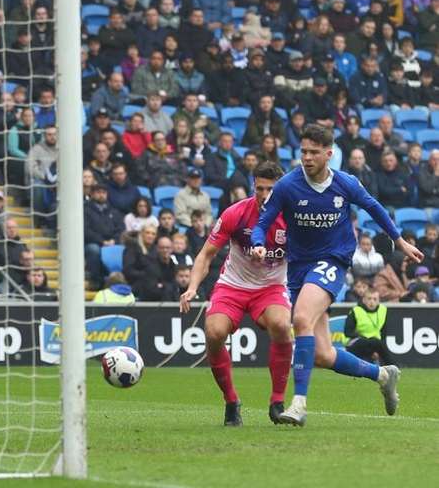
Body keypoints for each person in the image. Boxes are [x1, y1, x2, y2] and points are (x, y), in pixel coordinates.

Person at [251, 124, 423, 426]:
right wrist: (256, 244)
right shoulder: (288, 186)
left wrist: (399, 240)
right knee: (322, 354)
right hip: (299, 268)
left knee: (301, 319)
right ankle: (383, 374)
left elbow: (375, 208)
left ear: (329, 154)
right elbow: (262, 223)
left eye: (314, 152)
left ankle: (299, 404)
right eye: (303, 151)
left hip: (333, 261)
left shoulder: (346, 183)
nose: (306, 157)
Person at [179, 162, 292, 426]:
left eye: (271, 189)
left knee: (281, 326)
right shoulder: (236, 213)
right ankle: (231, 401)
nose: (265, 195)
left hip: (271, 287)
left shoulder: (292, 217)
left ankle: (277, 402)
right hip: (233, 286)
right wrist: (192, 287)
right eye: (260, 188)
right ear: (254, 186)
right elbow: (206, 254)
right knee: (214, 332)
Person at [344, 286, 394, 365]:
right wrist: (363, 337)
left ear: (378, 301)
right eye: (369, 299)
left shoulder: (383, 310)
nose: (372, 302)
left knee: (378, 343)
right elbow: (347, 332)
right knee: (366, 342)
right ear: (364, 300)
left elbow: (383, 333)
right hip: (356, 342)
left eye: (375, 299)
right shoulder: (356, 310)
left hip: (374, 343)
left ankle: (392, 367)